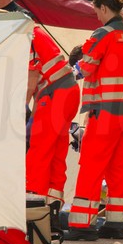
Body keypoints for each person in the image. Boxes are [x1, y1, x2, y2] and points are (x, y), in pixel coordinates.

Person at [66, 0, 123, 241]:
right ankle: (116, 223)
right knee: (118, 166)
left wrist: (66, 72)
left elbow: (85, 67)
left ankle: (81, 223)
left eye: (96, 11)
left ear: (104, 8)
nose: (96, 17)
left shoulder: (103, 34)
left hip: (106, 111)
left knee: (92, 164)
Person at [25, 24, 80, 213]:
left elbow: (32, 76)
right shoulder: (35, 30)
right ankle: (53, 205)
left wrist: (20, 108)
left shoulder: (23, 34)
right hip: (67, 92)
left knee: (39, 151)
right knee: (56, 151)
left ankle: (33, 204)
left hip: (54, 95)